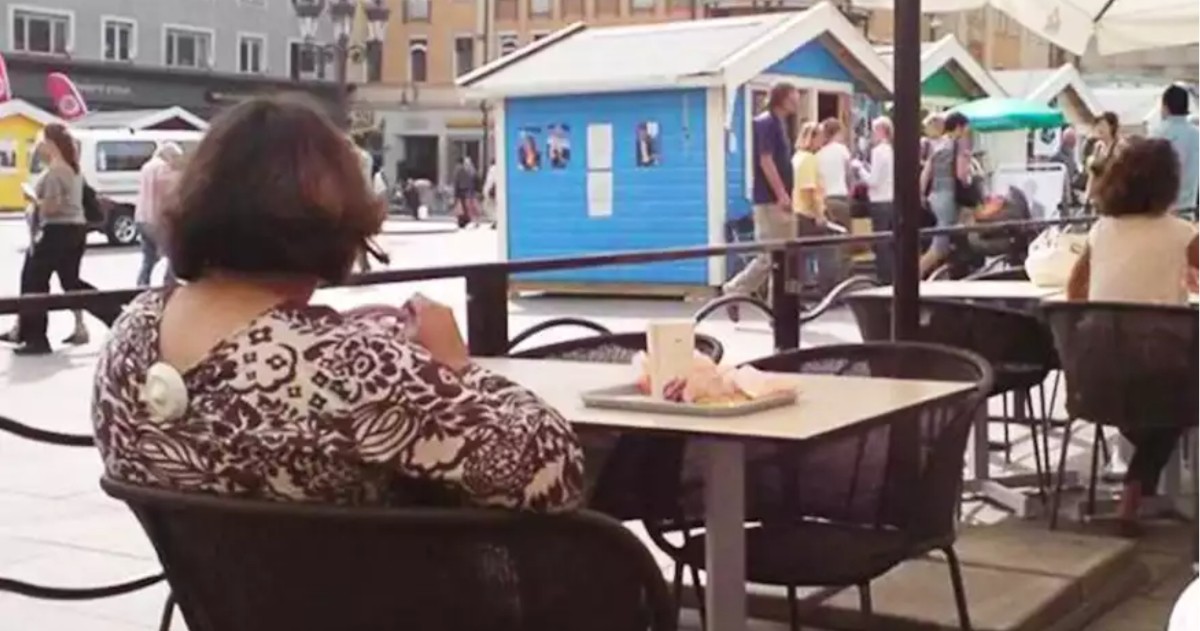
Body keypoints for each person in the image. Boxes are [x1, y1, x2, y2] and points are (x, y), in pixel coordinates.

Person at [91, 94, 584, 511]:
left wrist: (320, 335)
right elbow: (551, 470)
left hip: (215, 593)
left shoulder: (132, 333)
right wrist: (457, 367)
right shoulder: (353, 366)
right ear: (334, 223)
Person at [1066, 137, 1199, 536]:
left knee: (1154, 410)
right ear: (1169, 184)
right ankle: (1136, 493)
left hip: (1095, 378)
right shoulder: (1184, 234)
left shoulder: (1100, 231)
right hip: (1158, 374)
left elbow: (1075, 292)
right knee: (1180, 406)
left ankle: (1133, 494)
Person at [5, 124, 117, 356]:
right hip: (75, 230)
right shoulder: (73, 170)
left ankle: (35, 338)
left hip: (56, 230)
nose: (38, 146)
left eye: (41, 141)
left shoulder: (55, 172)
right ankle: (115, 316)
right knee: (71, 282)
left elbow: (52, 208)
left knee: (33, 281)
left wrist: (33, 199)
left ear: (51, 143)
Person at [721, 82, 798, 321]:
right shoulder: (766, 123)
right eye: (794, 96)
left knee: (783, 257)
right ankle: (735, 289)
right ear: (782, 98)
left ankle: (779, 309)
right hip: (770, 201)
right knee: (771, 256)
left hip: (780, 201)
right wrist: (781, 194)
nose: (797, 101)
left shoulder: (781, 124)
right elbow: (766, 160)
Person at [919, 111, 973, 277]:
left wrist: (922, 195)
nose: (967, 132)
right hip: (948, 196)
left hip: (934, 196)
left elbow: (926, 172)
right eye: (966, 129)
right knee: (940, 245)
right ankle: (913, 275)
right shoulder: (959, 145)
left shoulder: (938, 145)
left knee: (948, 238)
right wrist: (970, 180)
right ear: (959, 127)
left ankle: (948, 272)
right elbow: (961, 174)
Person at [135, 143, 184, 287]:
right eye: (175, 157)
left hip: (141, 217)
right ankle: (169, 283)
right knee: (173, 252)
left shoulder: (146, 166)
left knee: (148, 257)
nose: (176, 160)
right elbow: (169, 190)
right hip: (155, 219)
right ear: (168, 155)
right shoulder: (163, 168)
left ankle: (142, 285)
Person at [812, 118, 853, 290]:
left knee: (826, 244)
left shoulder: (818, 155)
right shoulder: (842, 150)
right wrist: (850, 191)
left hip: (825, 200)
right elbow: (849, 174)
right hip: (840, 198)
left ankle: (825, 284)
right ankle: (842, 284)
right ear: (838, 132)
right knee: (843, 242)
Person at [1150, 84, 1199, 220]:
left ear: (1165, 107)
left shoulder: (1158, 134)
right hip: (1190, 208)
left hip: (1164, 211)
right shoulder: (1196, 134)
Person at [857, 117, 895, 284]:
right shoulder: (890, 150)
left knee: (881, 242)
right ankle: (891, 275)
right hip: (890, 199)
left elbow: (873, 181)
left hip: (879, 201)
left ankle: (884, 277)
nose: (871, 135)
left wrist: (859, 169)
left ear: (881, 131)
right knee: (889, 241)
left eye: (873, 131)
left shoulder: (878, 151)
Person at [790, 122, 826, 288]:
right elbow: (810, 189)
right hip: (807, 212)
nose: (822, 142)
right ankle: (811, 287)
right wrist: (819, 214)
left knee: (799, 256)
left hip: (796, 209)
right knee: (811, 253)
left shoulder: (796, 157)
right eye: (819, 138)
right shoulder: (809, 159)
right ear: (812, 138)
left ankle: (799, 288)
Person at [1085, 112, 1123, 205]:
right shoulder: (1098, 147)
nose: (1100, 128)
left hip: (1112, 194)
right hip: (1096, 195)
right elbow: (1092, 174)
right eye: (1098, 125)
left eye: (1103, 125)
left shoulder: (1119, 146)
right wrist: (1088, 194)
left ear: (1112, 127)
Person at [452, 156, 479, 229]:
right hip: (468, 190)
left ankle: (463, 221)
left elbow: (456, 181)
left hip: (462, 190)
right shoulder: (469, 170)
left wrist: (455, 192)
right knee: (466, 206)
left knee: (462, 206)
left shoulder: (459, 169)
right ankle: (467, 220)